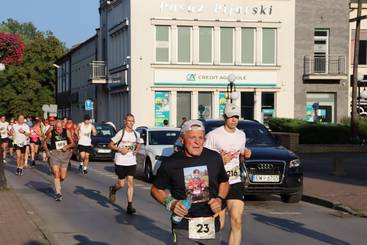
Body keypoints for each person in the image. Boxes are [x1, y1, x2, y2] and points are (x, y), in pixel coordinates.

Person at [151, 120, 229, 244]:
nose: (197, 142)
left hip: (210, 224)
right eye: (192, 137)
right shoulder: (170, 163)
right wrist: (171, 203)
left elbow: (224, 182)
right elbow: (156, 189)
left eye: (201, 137)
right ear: (182, 140)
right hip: (184, 225)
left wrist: (219, 199)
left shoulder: (214, 158)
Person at [204, 103, 251, 245]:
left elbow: (240, 156)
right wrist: (219, 160)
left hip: (235, 181)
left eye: (236, 117)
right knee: (219, 224)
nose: (234, 120)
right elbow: (203, 159)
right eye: (231, 117)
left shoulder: (241, 135)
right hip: (217, 184)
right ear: (225, 117)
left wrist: (246, 154)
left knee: (237, 221)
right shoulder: (213, 135)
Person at [108, 113, 142, 214]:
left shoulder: (136, 134)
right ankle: (113, 189)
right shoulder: (120, 133)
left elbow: (139, 143)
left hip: (131, 161)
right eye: (129, 121)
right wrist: (119, 149)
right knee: (121, 184)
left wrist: (136, 150)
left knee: (131, 182)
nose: (131, 123)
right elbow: (110, 145)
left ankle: (129, 206)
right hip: (120, 161)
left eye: (132, 121)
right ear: (125, 121)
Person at [44, 120, 75, 201]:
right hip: (54, 154)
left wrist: (67, 146)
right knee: (56, 174)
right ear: (55, 127)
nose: (59, 129)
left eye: (60, 128)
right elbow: (44, 142)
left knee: (63, 177)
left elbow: (73, 143)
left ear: (63, 127)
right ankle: (58, 193)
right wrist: (47, 152)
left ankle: (57, 184)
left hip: (65, 155)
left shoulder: (66, 132)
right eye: (57, 128)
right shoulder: (52, 133)